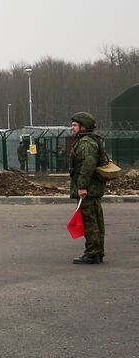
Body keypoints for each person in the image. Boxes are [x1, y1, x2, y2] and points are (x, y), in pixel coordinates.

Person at [68, 112, 106, 264]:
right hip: (93, 189)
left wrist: (82, 186)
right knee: (95, 220)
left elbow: (87, 166)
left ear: (84, 127)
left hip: (88, 190)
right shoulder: (90, 141)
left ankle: (92, 253)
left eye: (75, 125)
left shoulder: (86, 143)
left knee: (90, 221)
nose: (72, 128)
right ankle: (97, 251)